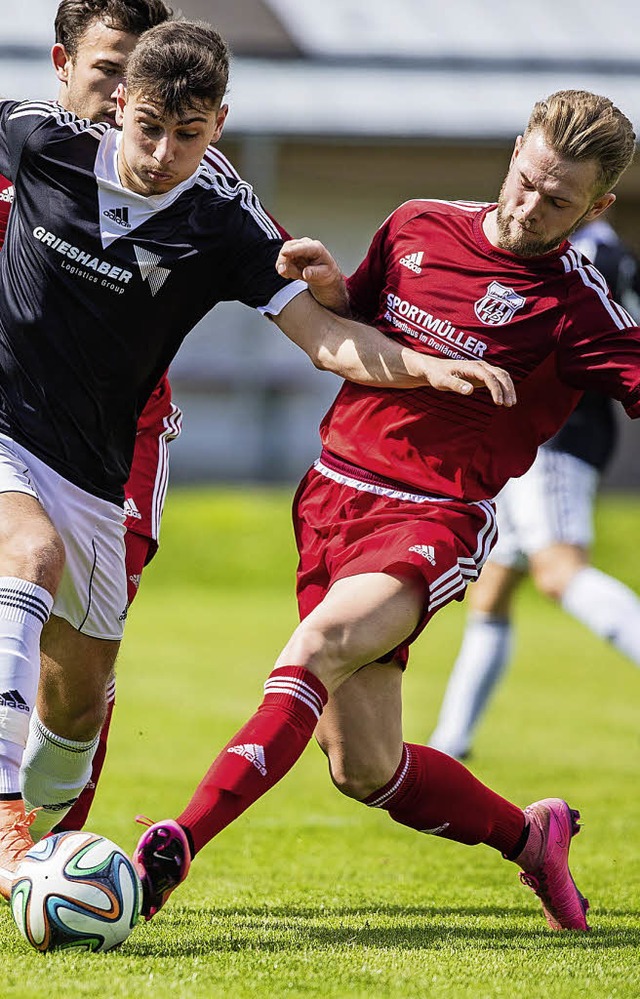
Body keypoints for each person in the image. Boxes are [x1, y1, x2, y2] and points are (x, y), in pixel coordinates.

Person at [0, 20, 511, 896]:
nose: (162, 153)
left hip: (92, 469)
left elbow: (325, 340)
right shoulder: (40, 139)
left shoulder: (222, 220)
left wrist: (427, 364)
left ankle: (41, 827)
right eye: (148, 126)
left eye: (188, 135)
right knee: (26, 556)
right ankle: (6, 818)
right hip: (8, 429)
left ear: (220, 124)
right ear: (119, 103)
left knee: (77, 715)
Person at [132, 89, 640, 935]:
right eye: (526, 180)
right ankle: (532, 835)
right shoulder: (417, 223)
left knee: (318, 646)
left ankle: (176, 847)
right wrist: (334, 289)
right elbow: (360, 329)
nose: (529, 208)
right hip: (329, 492)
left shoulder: (576, 306)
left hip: (432, 515)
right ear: (516, 150)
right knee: (363, 767)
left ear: (598, 207)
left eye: (558, 202)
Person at [429, 219, 640, 760]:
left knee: (558, 571)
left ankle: (450, 743)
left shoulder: (590, 251)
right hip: (534, 438)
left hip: (559, 435)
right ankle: (451, 743)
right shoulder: (597, 247)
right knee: (493, 590)